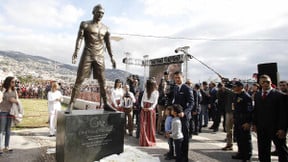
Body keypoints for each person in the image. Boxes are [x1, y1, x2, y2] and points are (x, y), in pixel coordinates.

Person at [66, 4, 116, 113]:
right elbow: (79, 38)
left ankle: (106, 103)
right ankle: (71, 104)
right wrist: (76, 51)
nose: (100, 14)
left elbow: (108, 44)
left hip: (100, 56)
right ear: (93, 12)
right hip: (87, 54)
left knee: (102, 81)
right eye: (98, 12)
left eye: (102, 13)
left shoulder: (106, 29)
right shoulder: (85, 24)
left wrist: (112, 57)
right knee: (79, 79)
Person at [252, 75, 288, 162]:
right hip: (262, 127)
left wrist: (282, 128)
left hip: (276, 128)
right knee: (263, 150)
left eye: (267, 82)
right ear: (260, 84)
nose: (265, 84)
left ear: (271, 82)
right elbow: (256, 111)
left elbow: (284, 114)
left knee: (281, 150)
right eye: (263, 82)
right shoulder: (257, 95)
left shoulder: (280, 95)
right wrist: (255, 124)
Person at [172, 71, 194, 162]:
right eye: (175, 78)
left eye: (178, 77)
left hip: (184, 117)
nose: (177, 79)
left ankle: (185, 157)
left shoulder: (187, 88)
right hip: (176, 116)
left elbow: (192, 103)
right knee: (177, 136)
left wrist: (184, 112)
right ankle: (179, 155)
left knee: (184, 138)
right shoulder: (176, 88)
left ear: (182, 77)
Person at [231, 81, 253, 161]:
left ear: (240, 87)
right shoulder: (236, 95)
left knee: (246, 139)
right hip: (238, 120)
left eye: (235, 86)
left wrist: (248, 122)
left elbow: (250, 111)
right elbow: (235, 108)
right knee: (239, 138)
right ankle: (241, 153)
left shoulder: (246, 96)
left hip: (244, 120)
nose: (234, 88)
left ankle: (247, 156)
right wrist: (234, 117)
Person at [0, 76, 18, 154]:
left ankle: (6, 146)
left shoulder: (15, 91)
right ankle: (0, 147)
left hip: (11, 112)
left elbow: (18, 101)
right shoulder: (3, 90)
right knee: (1, 130)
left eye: (15, 82)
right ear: (8, 82)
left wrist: (15, 101)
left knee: (8, 130)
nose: (14, 83)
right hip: (3, 111)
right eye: (12, 82)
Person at [139, 79, 159, 146]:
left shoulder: (156, 92)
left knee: (150, 125)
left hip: (150, 110)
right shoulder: (145, 91)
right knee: (143, 125)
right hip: (144, 109)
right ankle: (143, 140)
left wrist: (150, 108)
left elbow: (155, 102)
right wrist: (142, 107)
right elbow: (142, 100)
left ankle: (150, 140)